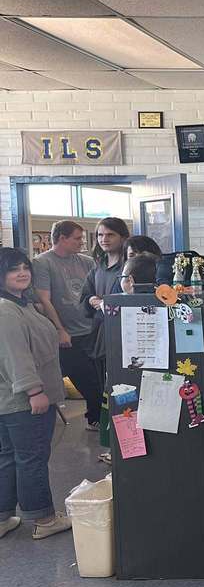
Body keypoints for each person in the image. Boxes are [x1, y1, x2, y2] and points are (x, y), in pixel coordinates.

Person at [0, 248, 72, 541]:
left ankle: (3, 517)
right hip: (22, 399)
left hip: (11, 399)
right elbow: (16, 356)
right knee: (31, 458)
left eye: (24, 267)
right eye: (12, 269)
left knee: (8, 457)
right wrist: (35, 391)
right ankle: (43, 518)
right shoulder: (6, 310)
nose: (22, 273)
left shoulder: (22, 303)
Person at [32, 220, 102, 430]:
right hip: (68, 333)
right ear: (62, 238)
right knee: (85, 379)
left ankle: (95, 417)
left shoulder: (86, 261)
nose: (81, 242)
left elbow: (96, 291)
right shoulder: (42, 263)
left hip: (91, 328)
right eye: (77, 238)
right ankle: (96, 418)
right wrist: (60, 330)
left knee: (99, 379)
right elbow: (44, 300)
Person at [81, 217, 130, 395]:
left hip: (124, 335)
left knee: (123, 387)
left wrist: (107, 303)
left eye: (110, 234)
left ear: (123, 238)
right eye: (100, 235)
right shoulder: (98, 267)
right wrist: (92, 300)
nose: (104, 239)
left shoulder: (129, 266)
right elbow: (85, 295)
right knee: (104, 386)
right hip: (100, 333)